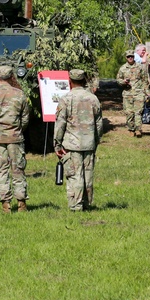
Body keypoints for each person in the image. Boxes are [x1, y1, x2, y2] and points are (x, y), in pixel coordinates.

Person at [0, 66, 31, 213]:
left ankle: (5, 204)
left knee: (0, 170)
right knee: (18, 170)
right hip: (15, 137)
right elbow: (25, 118)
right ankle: (21, 203)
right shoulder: (20, 94)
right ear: (11, 77)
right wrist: (18, 130)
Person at [54, 69, 103, 211]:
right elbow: (99, 124)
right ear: (84, 81)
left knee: (75, 175)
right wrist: (96, 141)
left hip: (71, 144)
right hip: (89, 143)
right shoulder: (93, 98)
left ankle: (76, 205)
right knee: (88, 175)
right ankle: (87, 204)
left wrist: (57, 145)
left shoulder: (66, 99)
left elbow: (60, 124)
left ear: (70, 81)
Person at [117, 50, 150, 138]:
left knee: (138, 112)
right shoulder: (123, 68)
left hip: (139, 93)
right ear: (126, 58)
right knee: (129, 113)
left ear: (134, 57)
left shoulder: (140, 67)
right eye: (128, 57)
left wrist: (147, 93)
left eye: (131, 56)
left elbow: (145, 80)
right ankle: (131, 129)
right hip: (127, 93)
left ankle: (138, 129)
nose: (130, 58)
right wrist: (123, 82)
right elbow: (118, 80)